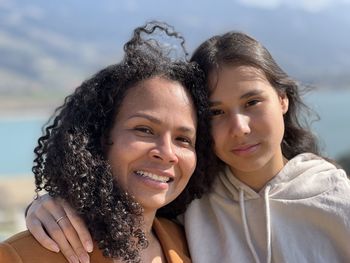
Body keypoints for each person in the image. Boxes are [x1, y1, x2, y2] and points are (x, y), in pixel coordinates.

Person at [24, 24, 350, 263]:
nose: (239, 127)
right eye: (215, 112)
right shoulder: (188, 203)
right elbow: (118, 195)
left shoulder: (338, 199)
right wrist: (48, 201)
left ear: (282, 99)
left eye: (252, 102)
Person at [0, 22, 216, 263]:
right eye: (144, 129)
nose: (167, 153)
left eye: (183, 139)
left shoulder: (193, 244)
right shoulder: (21, 256)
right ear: (98, 139)